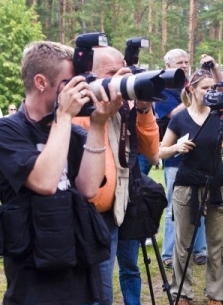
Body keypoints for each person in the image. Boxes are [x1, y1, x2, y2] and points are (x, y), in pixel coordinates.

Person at [0, 41, 122, 304]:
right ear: (41, 82)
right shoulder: (7, 132)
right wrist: (64, 117)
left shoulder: (74, 132)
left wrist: (98, 124)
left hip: (76, 267)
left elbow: (89, 188)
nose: (79, 91)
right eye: (69, 83)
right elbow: (45, 182)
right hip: (32, 277)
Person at [72, 46, 160, 305]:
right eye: (112, 73)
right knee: (96, 292)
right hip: (87, 216)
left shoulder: (125, 107)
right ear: (92, 75)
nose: (121, 79)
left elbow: (152, 153)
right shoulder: (80, 108)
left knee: (107, 289)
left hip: (119, 208)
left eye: (123, 71)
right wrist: (101, 113)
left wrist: (143, 108)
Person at [159, 58, 223, 304]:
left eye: (213, 88)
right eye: (205, 89)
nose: (210, 93)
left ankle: (216, 294)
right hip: (187, 186)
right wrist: (177, 147)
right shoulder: (179, 118)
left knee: (218, 243)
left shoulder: (219, 117)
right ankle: (182, 293)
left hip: (217, 184)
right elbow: (161, 151)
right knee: (183, 243)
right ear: (191, 90)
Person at [156, 48, 207, 268]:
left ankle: (200, 249)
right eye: (179, 63)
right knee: (173, 207)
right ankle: (169, 253)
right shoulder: (162, 88)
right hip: (174, 156)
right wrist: (191, 95)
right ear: (168, 66)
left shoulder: (194, 86)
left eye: (187, 61)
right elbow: (171, 114)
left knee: (202, 203)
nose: (185, 65)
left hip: (201, 154)